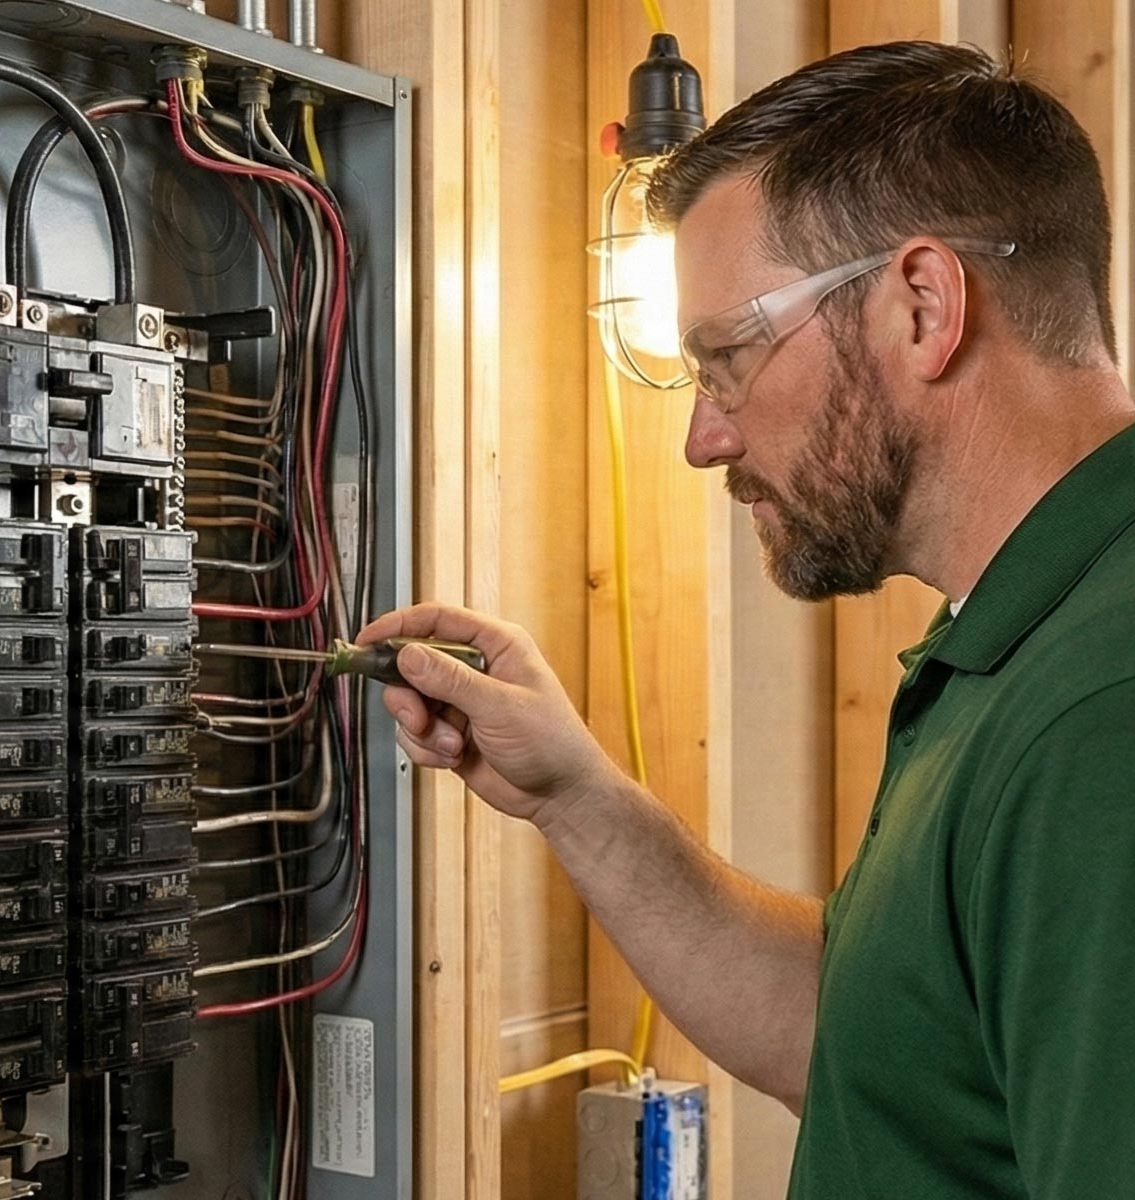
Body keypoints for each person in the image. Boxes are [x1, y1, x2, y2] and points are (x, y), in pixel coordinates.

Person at [359, 40, 1135, 1198]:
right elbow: (884, 1049)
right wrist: (576, 797)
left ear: (922, 307)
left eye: (727, 359)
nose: (704, 436)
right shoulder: (1021, 641)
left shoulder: (1101, 716)